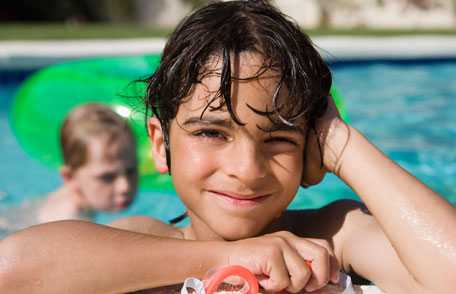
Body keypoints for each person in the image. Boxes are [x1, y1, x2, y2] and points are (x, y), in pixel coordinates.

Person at [0, 1, 455, 293]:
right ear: (161, 145)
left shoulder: (337, 236)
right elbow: (13, 270)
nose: (246, 168)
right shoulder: (147, 245)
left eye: (278, 138)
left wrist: (341, 143)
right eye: (211, 133)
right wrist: (226, 257)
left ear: (309, 151)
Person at [37, 103, 138, 223]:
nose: (125, 187)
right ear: (69, 177)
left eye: (131, 171)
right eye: (107, 177)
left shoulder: (83, 198)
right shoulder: (68, 223)